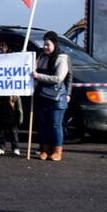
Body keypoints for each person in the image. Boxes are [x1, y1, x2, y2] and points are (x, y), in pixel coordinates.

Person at [33, 31, 71, 162]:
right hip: (41, 96)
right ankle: (44, 149)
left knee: (55, 125)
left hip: (56, 98)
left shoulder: (61, 58)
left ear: (54, 44)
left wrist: (38, 76)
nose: (45, 47)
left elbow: (58, 78)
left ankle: (56, 151)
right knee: (43, 125)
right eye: (44, 44)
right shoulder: (42, 58)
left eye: (48, 44)